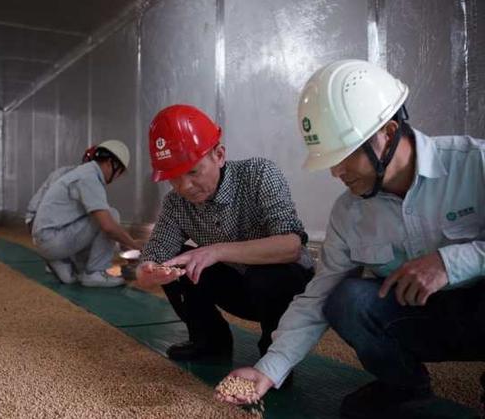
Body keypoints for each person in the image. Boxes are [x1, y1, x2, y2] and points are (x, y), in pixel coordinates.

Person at [217, 60, 485, 418]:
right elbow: (319, 295)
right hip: (425, 320)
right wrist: (268, 370)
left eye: (343, 155)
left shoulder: (475, 164)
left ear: (387, 133)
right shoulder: (349, 213)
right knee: (347, 300)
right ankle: (403, 387)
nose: (335, 171)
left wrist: (450, 262)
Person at [136, 104, 314, 361]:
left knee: (271, 273)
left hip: (287, 292)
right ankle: (209, 341)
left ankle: (275, 355)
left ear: (219, 155)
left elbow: (291, 246)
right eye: (173, 178)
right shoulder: (176, 203)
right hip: (238, 289)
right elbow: (156, 251)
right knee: (178, 262)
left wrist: (215, 251)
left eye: (193, 171)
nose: (185, 186)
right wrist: (148, 272)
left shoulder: (259, 174)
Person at [32, 140, 143, 288]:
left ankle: (65, 262)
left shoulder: (83, 173)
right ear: (111, 164)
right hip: (54, 240)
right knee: (111, 215)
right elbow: (108, 226)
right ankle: (95, 273)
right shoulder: (89, 177)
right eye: (120, 173)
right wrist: (134, 244)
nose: (117, 178)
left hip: (47, 239)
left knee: (71, 279)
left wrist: (124, 242)